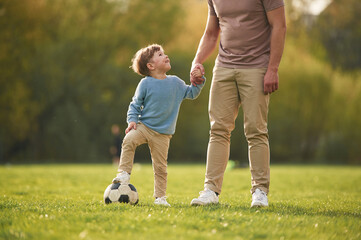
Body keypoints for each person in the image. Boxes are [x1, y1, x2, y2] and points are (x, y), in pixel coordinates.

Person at [189, 0, 287, 207]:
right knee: (218, 130)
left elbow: (279, 26)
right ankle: (210, 191)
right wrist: (197, 61)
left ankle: (260, 191)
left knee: (256, 130)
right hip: (224, 67)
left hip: (257, 67)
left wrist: (273, 68)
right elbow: (211, 33)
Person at [111, 44, 205, 207]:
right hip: (144, 127)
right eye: (160, 54)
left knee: (160, 168)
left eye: (164, 53)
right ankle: (124, 173)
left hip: (163, 134)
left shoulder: (175, 82)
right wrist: (132, 120)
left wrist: (198, 81)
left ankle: (160, 198)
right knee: (128, 140)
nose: (166, 55)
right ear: (151, 65)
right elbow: (135, 104)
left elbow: (192, 93)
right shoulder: (145, 84)